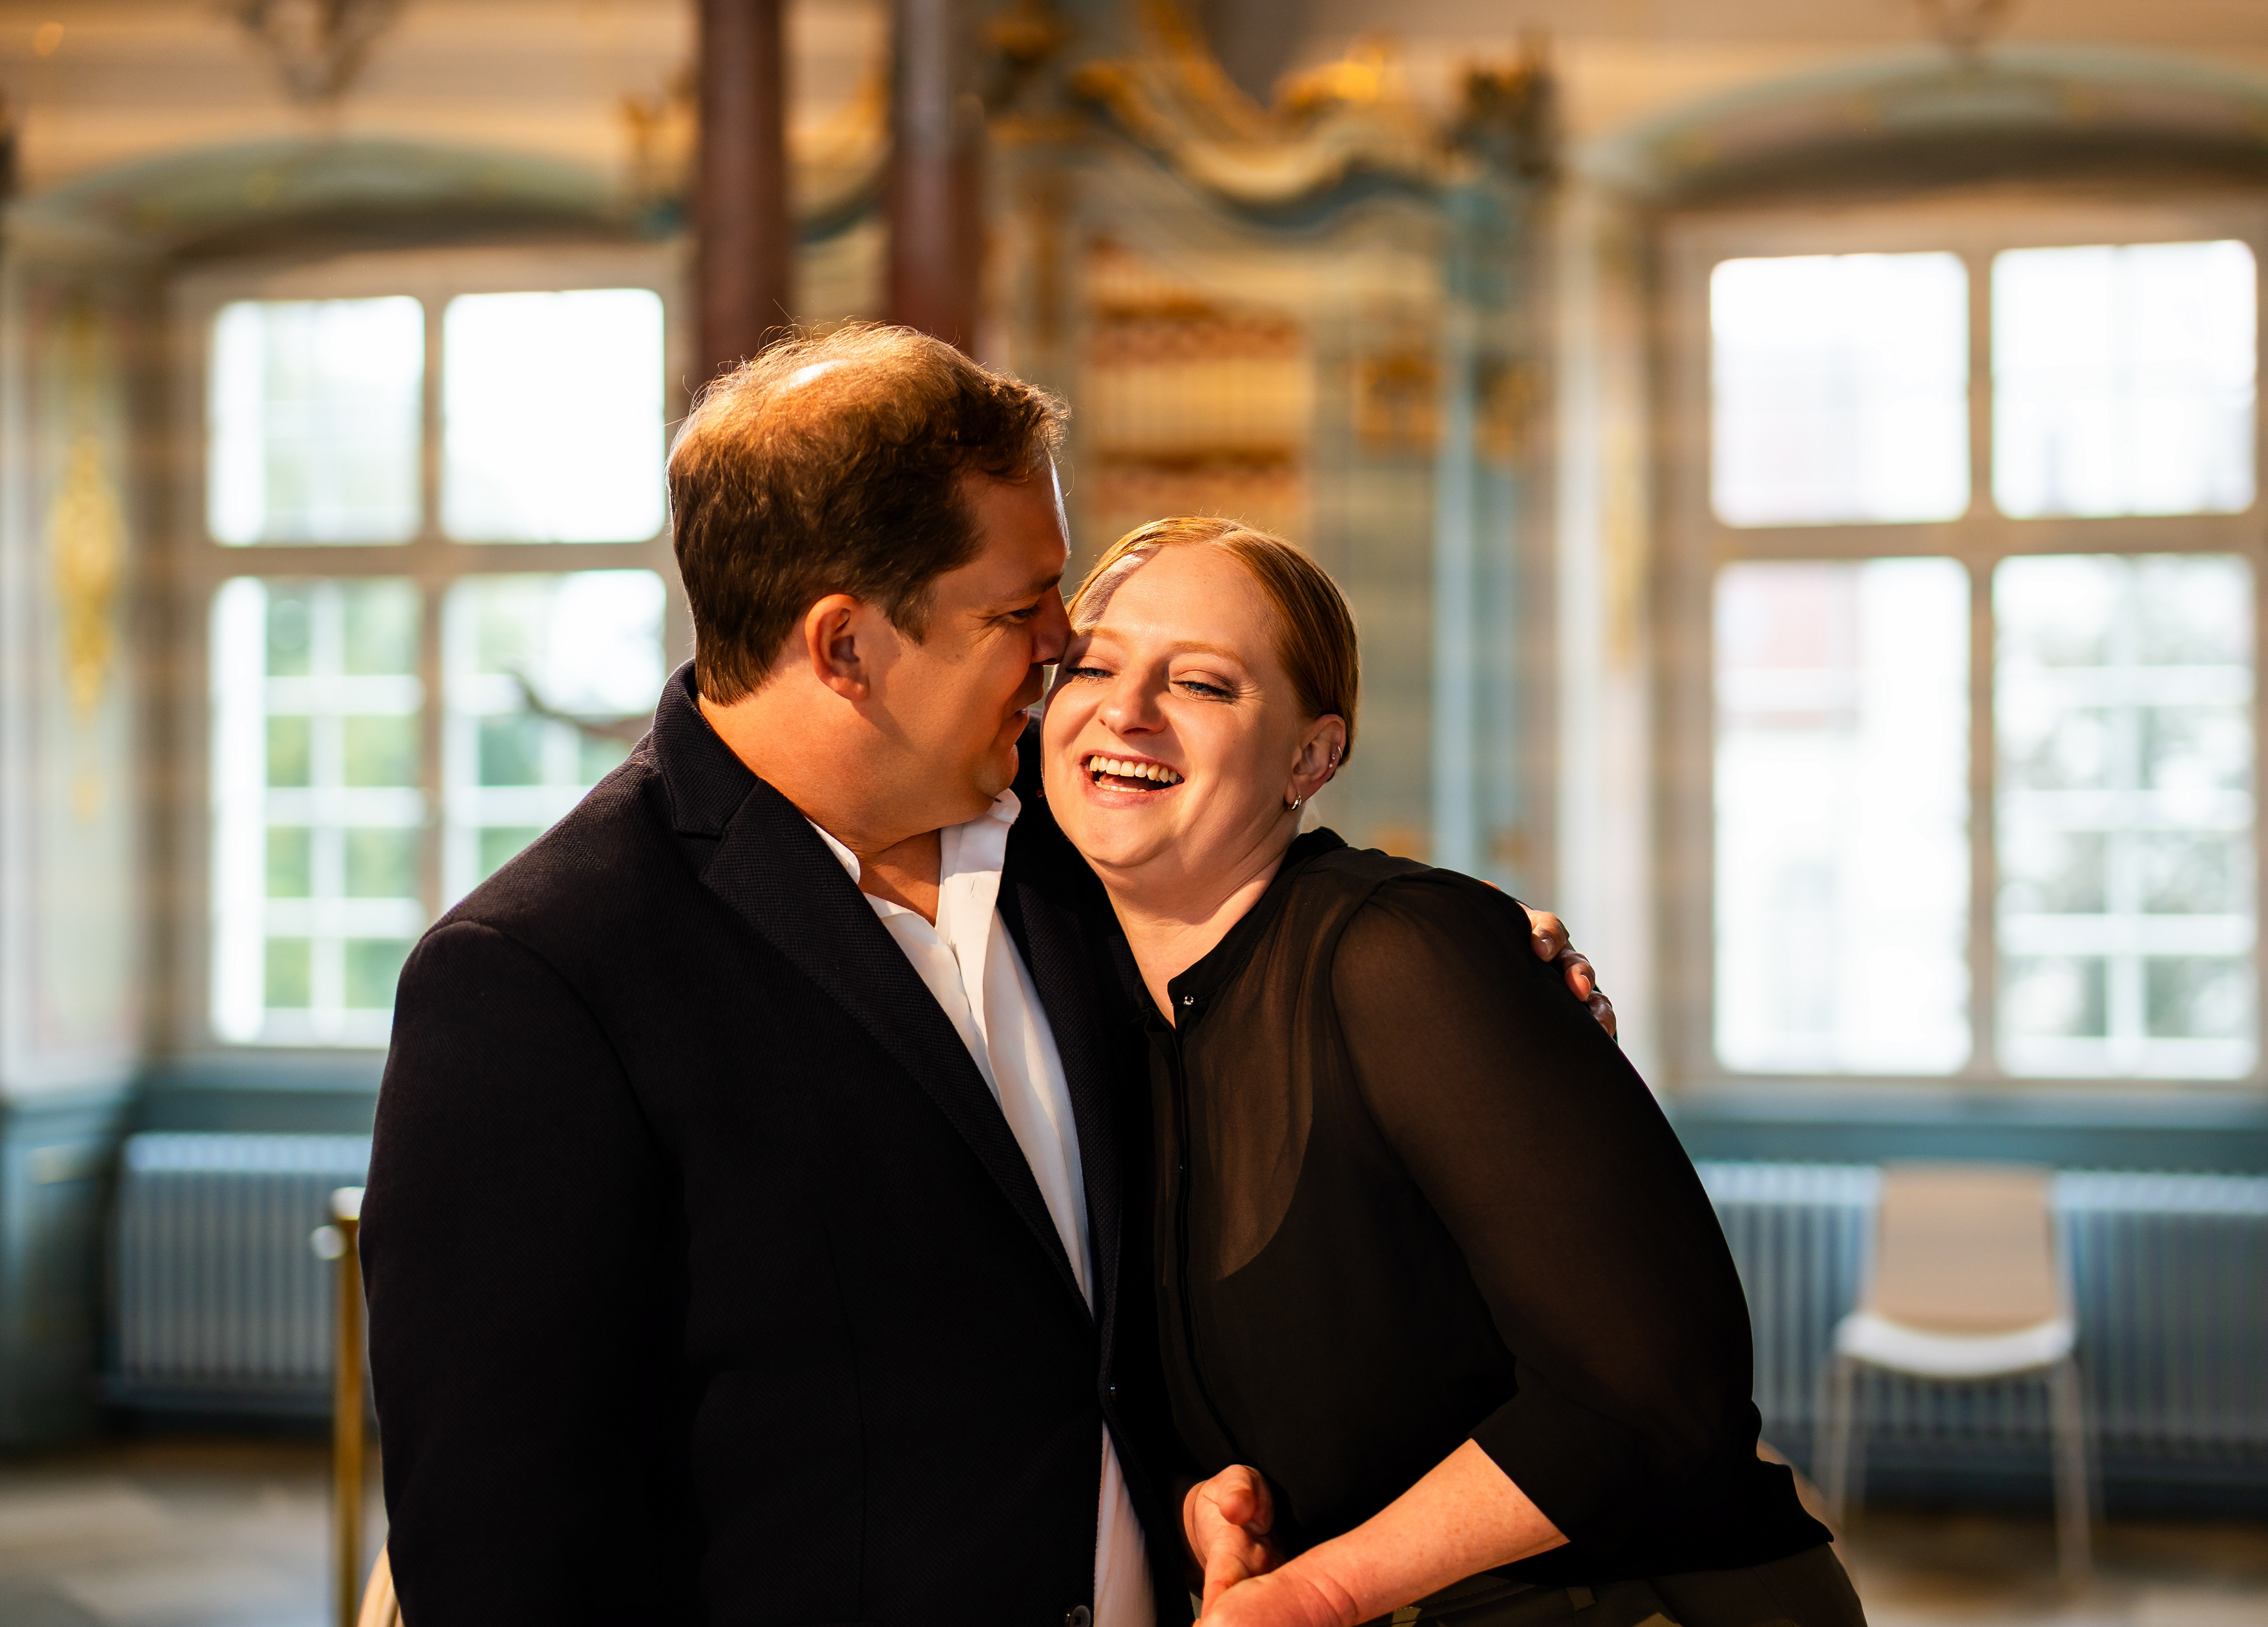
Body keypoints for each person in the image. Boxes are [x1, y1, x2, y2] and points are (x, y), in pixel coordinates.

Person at [361, 326, 1608, 1626]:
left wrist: (1469, 961)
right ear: (845, 646)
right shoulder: (538, 978)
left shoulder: (1064, 857)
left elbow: (1261, 927)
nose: (1067, 642)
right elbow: (502, 1551)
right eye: (1019, 609)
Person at [1042, 517, 1864, 1627]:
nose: (1126, 710)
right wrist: (1205, 1495)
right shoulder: (1083, 1003)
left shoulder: (1403, 955)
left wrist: (1323, 1590)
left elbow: (1657, 1397)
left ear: (1311, 758)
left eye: (1203, 683)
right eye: (1094, 664)